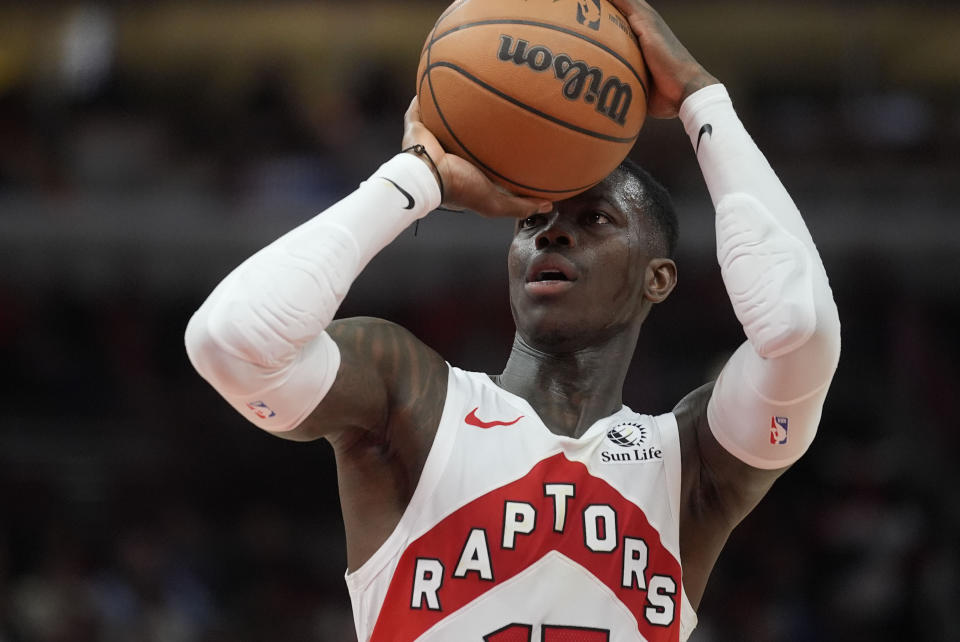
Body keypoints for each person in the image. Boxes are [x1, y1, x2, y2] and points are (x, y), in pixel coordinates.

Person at [184, 1, 841, 640]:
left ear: (658, 277)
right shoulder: (412, 400)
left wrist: (701, 98)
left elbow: (798, 329)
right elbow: (231, 340)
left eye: (595, 221)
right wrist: (415, 180)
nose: (552, 237)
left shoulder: (691, 463)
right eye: (533, 222)